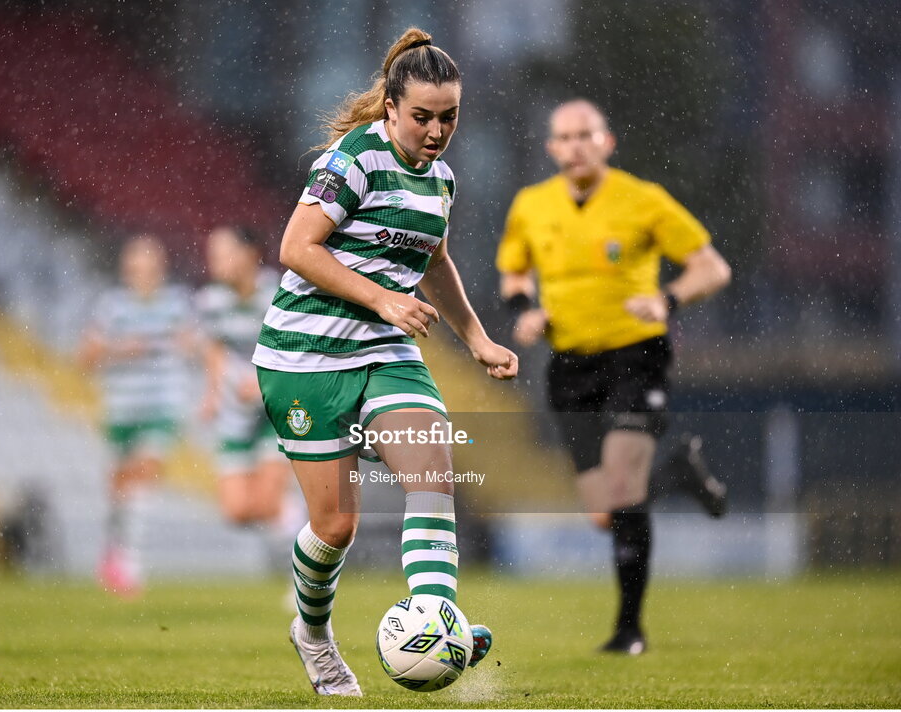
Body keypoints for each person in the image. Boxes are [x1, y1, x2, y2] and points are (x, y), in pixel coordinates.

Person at [251, 28, 518, 696]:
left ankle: (438, 620)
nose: (435, 131)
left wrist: (478, 339)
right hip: (305, 355)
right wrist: (383, 299)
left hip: (386, 352)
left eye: (448, 117)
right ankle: (312, 636)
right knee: (335, 525)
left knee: (432, 465)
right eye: (422, 116)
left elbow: (435, 260)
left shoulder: (443, 181)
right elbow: (296, 247)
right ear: (392, 109)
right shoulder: (355, 159)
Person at [495, 99, 732, 655]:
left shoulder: (641, 200)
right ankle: (678, 469)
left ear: (607, 141)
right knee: (606, 513)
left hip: (635, 356)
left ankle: (629, 631)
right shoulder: (532, 205)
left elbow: (713, 268)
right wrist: (523, 310)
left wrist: (668, 298)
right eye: (564, 137)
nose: (575, 146)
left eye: (586, 135)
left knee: (625, 491)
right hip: (569, 366)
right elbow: (513, 269)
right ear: (551, 147)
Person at [80, 236, 196, 597]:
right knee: (119, 489)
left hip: (162, 408)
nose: (142, 274)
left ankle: (129, 561)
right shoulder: (112, 307)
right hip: (122, 408)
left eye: (149, 267)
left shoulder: (178, 304)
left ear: (160, 269)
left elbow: (198, 346)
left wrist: (186, 344)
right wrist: (120, 349)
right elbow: (85, 356)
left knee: (145, 474)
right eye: (136, 268)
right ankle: (114, 551)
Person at [196, 226, 299, 568]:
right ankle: (299, 528)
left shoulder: (278, 293)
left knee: (268, 504)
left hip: (275, 409)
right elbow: (214, 346)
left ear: (250, 254)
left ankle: (302, 576)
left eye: (223, 253)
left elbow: (296, 349)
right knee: (237, 511)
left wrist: (263, 383)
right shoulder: (211, 301)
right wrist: (212, 394)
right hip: (235, 412)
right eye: (212, 255)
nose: (215, 262)